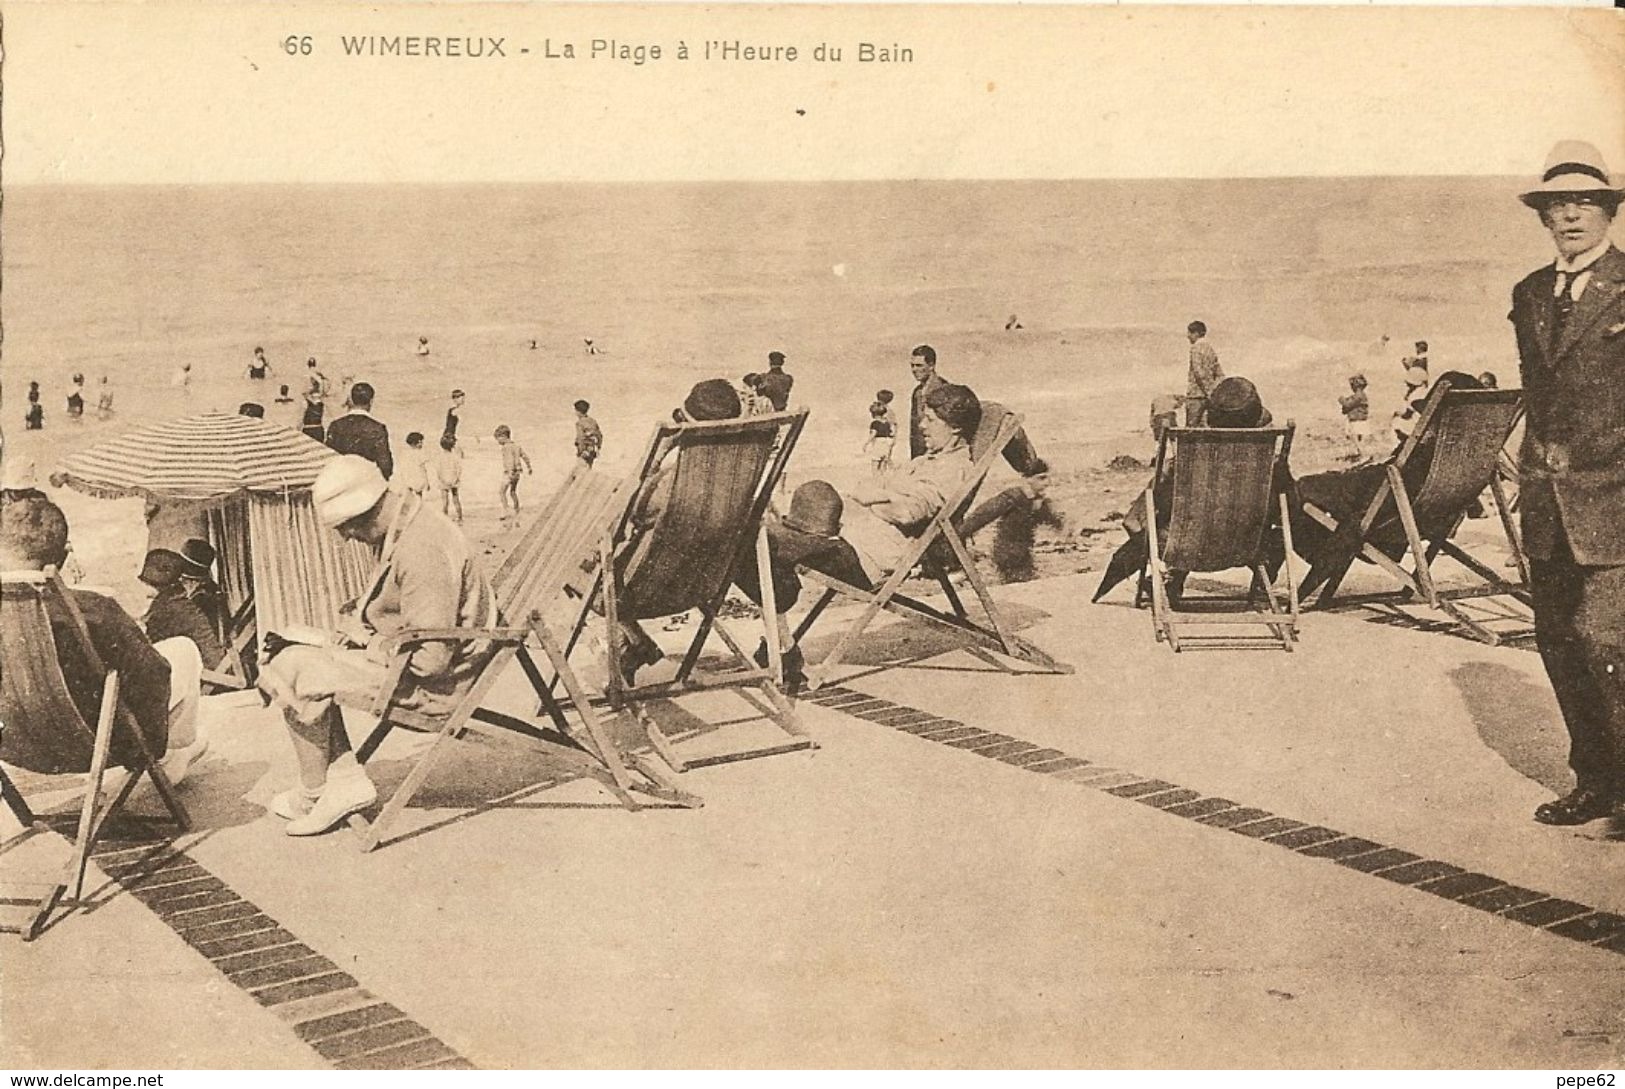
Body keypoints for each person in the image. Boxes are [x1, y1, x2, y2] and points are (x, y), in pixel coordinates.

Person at [256, 456, 495, 835]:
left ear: (365, 512)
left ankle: (324, 789)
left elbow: (431, 660)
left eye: (345, 527)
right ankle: (331, 783)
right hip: (412, 662)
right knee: (290, 652)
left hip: (435, 686)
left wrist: (368, 640)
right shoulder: (408, 524)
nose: (344, 537)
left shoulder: (421, 549)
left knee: (292, 667)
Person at [1508, 140, 1625, 826]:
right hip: (1544, 497)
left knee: (1607, 641)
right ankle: (1596, 781)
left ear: (1608, 212)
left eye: (1585, 202)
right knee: (1555, 636)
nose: (1571, 215)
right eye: (1558, 205)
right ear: (1543, 217)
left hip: (1614, 494)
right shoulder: (1526, 293)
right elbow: (1536, 389)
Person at [0, 492, 210, 784]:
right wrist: (149, 740)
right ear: (62, 556)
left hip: (15, 745)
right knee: (182, 650)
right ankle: (170, 754)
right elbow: (151, 674)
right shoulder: (94, 609)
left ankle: (173, 753)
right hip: (95, 741)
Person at [1093, 376, 1285, 602]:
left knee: (1181, 517)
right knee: (1280, 533)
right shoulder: (1269, 465)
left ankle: (1172, 580)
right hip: (1250, 546)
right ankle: (1262, 586)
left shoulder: (1187, 464)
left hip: (1185, 549)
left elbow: (1135, 520)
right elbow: (1283, 507)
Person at [139, 540, 228, 671]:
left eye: (148, 584)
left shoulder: (173, 606)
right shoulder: (175, 601)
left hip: (207, 669)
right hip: (210, 661)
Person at [323, 380, 393, 478]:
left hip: (340, 480)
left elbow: (328, 459)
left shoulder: (336, 425)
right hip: (365, 482)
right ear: (371, 401)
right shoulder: (377, 428)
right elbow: (385, 466)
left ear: (351, 400)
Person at [1184, 321, 1224, 426]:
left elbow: (1198, 372)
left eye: (1189, 333)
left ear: (1196, 333)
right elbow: (1220, 374)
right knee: (1207, 428)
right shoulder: (1210, 349)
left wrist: (1207, 391)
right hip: (1210, 397)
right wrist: (1214, 391)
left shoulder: (1195, 348)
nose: (1188, 336)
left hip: (1196, 395)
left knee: (1190, 430)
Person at [493, 425, 533, 523]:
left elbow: (509, 461)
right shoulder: (517, 446)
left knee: (502, 492)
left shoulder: (506, 447)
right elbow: (525, 457)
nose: (498, 442)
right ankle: (516, 510)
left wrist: (510, 472)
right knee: (513, 492)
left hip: (509, 473)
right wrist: (529, 467)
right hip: (518, 473)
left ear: (503, 436)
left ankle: (506, 511)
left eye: (498, 439)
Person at [1338, 374, 1373, 463]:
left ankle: (1363, 455)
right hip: (1359, 419)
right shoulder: (1360, 395)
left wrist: (1342, 400)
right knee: (1359, 438)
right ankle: (1362, 454)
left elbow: (1348, 404)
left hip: (1357, 420)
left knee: (1355, 437)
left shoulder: (1358, 395)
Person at [864, 389, 897, 474]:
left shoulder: (876, 421)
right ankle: (884, 477)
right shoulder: (889, 412)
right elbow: (894, 426)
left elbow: (873, 433)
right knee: (885, 461)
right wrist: (893, 437)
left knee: (875, 462)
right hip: (887, 440)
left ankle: (876, 480)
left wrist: (866, 443)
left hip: (879, 442)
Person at [435, 432, 464, 523]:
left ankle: (445, 517)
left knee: (445, 500)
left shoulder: (440, 457)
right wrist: (456, 479)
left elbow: (438, 470)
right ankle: (459, 517)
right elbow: (459, 469)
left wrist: (442, 479)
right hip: (454, 480)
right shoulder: (454, 456)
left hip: (444, 481)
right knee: (456, 499)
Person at [300, 357, 329, 441]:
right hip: (319, 429)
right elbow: (326, 383)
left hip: (308, 429)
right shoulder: (317, 373)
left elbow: (304, 391)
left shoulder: (307, 374)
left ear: (308, 365)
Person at [398, 432, 429, 497]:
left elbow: (403, 468)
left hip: (408, 479)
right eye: (421, 442)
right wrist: (427, 482)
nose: (422, 444)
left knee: (410, 499)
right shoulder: (420, 454)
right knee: (418, 499)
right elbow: (423, 469)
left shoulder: (405, 453)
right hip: (418, 478)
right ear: (416, 443)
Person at [573, 399, 603, 468]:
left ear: (578, 412)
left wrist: (581, 451)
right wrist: (598, 447)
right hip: (592, 449)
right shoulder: (592, 421)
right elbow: (599, 435)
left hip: (584, 450)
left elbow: (581, 438)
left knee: (581, 469)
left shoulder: (580, 423)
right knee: (589, 468)